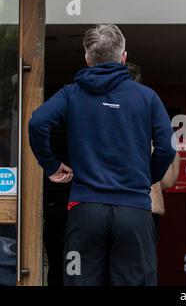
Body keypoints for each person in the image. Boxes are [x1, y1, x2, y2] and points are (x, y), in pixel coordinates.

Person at [28, 24, 176, 286]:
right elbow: (165, 147)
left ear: (87, 58)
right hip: (134, 212)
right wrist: (147, 178)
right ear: (123, 57)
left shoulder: (71, 94)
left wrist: (50, 166)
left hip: (85, 211)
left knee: (79, 281)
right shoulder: (147, 98)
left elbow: (37, 122)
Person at [125, 62, 181, 242]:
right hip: (146, 208)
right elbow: (168, 179)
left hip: (102, 208)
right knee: (141, 269)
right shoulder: (150, 117)